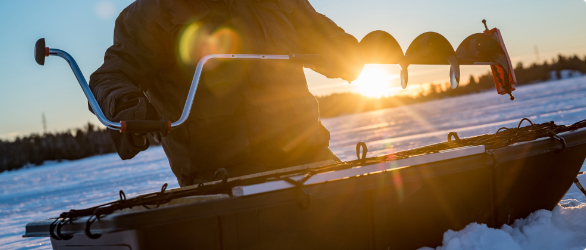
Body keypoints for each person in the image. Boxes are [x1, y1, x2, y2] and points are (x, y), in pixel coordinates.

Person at [89, 0, 363, 187]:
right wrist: (125, 105)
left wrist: (348, 52)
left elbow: (322, 36)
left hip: (312, 162)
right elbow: (110, 76)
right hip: (219, 185)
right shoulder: (153, 13)